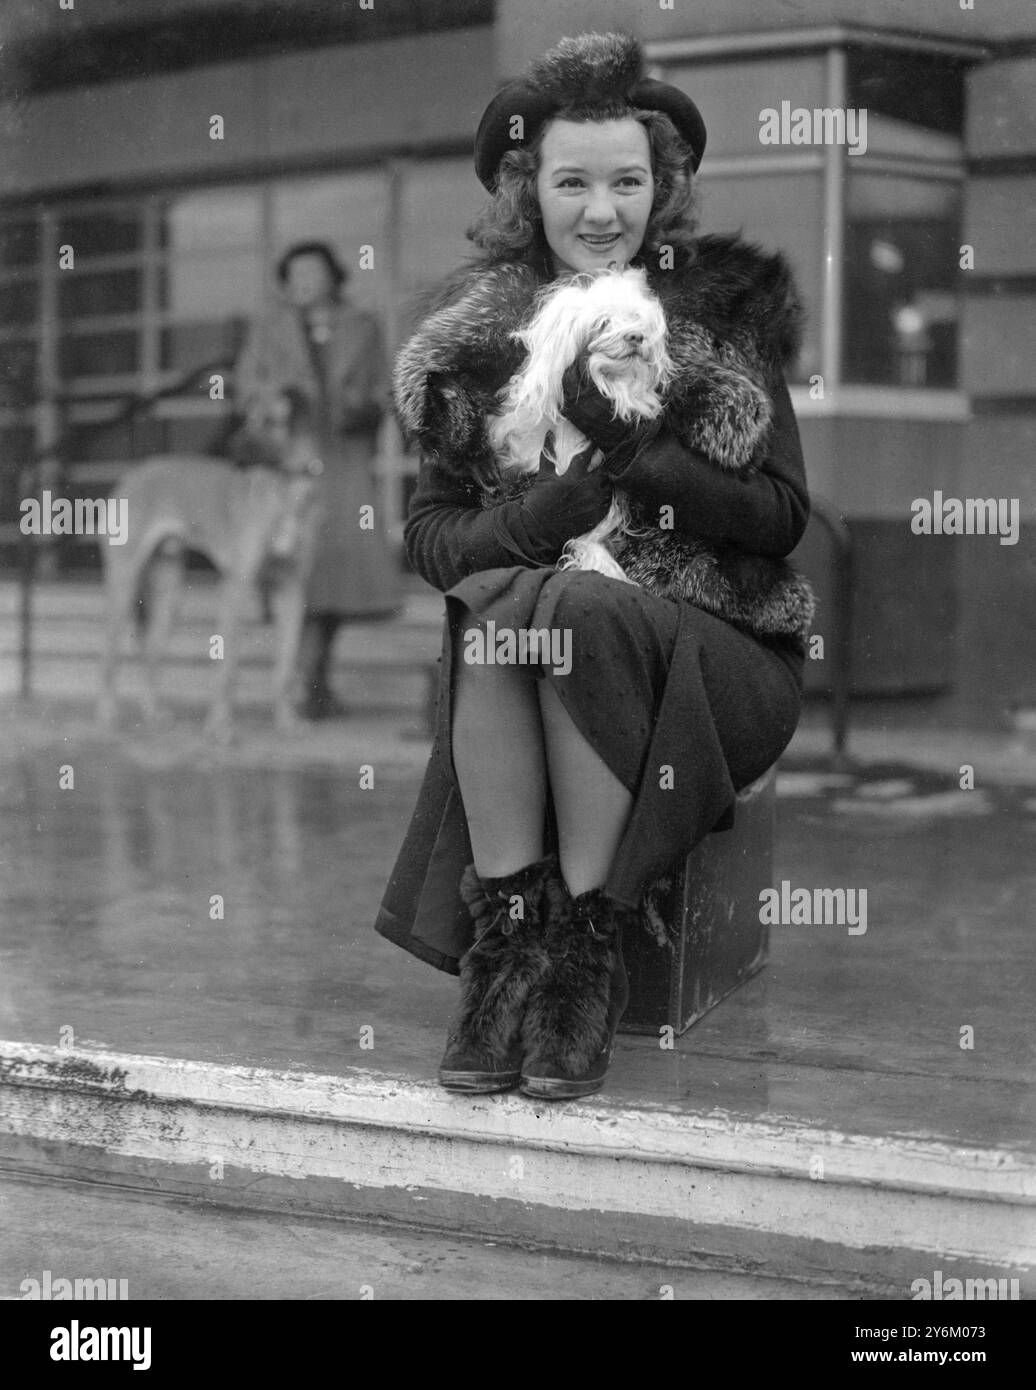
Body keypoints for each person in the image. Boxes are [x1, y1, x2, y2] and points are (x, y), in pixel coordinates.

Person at [374, 33, 815, 1100]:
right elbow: (431, 545)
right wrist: (543, 513)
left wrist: (639, 461)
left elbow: (781, 519)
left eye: (629, 180)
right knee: (502, 604)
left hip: (719, 655)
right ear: (530, 191)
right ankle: (514, 964)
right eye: (573, 181)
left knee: (551, 608)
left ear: (661, 188)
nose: (602, 209)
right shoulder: (471, 343)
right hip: (544, 631)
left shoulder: (722, 315)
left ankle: (578, 965)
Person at [234, 240, 399, 719]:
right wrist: (274, 402)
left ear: (334, 275)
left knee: (337, 576)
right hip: (290, 466)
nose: (303, 281)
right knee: (294, 570)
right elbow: (245, 387)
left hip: (345, 460)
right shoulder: (268, 329)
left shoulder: (362, 326)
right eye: (294, 274)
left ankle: (313, 679)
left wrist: (366, 406)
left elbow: (385, 387)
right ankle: (303, 685)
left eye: (313, 271)